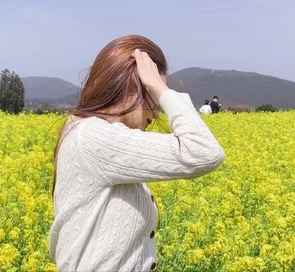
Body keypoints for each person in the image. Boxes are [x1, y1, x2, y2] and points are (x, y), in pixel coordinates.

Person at [49, 35, 226, 271]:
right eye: (154, 99)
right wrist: (162, 88)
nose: (157, 115)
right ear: (133, 88)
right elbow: (204, 152)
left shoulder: (86, 131)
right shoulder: (94, 137)